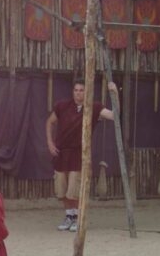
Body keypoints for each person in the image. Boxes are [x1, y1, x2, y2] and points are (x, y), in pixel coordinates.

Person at [46, 79, 115, 231]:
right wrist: (50, 143)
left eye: (82, 90)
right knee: (62, 189)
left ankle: (77, 218)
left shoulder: (94, 107)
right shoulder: (63, 106)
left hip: (79, 154)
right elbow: (50, 122)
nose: (78, 93)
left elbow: (113, 116)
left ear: (87, 91)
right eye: (76, 90)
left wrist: (114, 94)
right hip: (61, 153)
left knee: (74, 189)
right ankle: (69, 217)